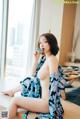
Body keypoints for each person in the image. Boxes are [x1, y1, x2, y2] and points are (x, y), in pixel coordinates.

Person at [3, 33, 66, 119]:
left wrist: (53, 107)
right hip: (41, 99)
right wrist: (36, 59)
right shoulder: (45, 59)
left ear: (51, 43)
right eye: (40, 42)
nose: (41, 45)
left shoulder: (52, 59)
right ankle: (3, 116)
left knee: (14, 100)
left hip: (46, 103)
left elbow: (54, 82)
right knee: (13, 104)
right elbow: (33, 75)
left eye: (45, 42)